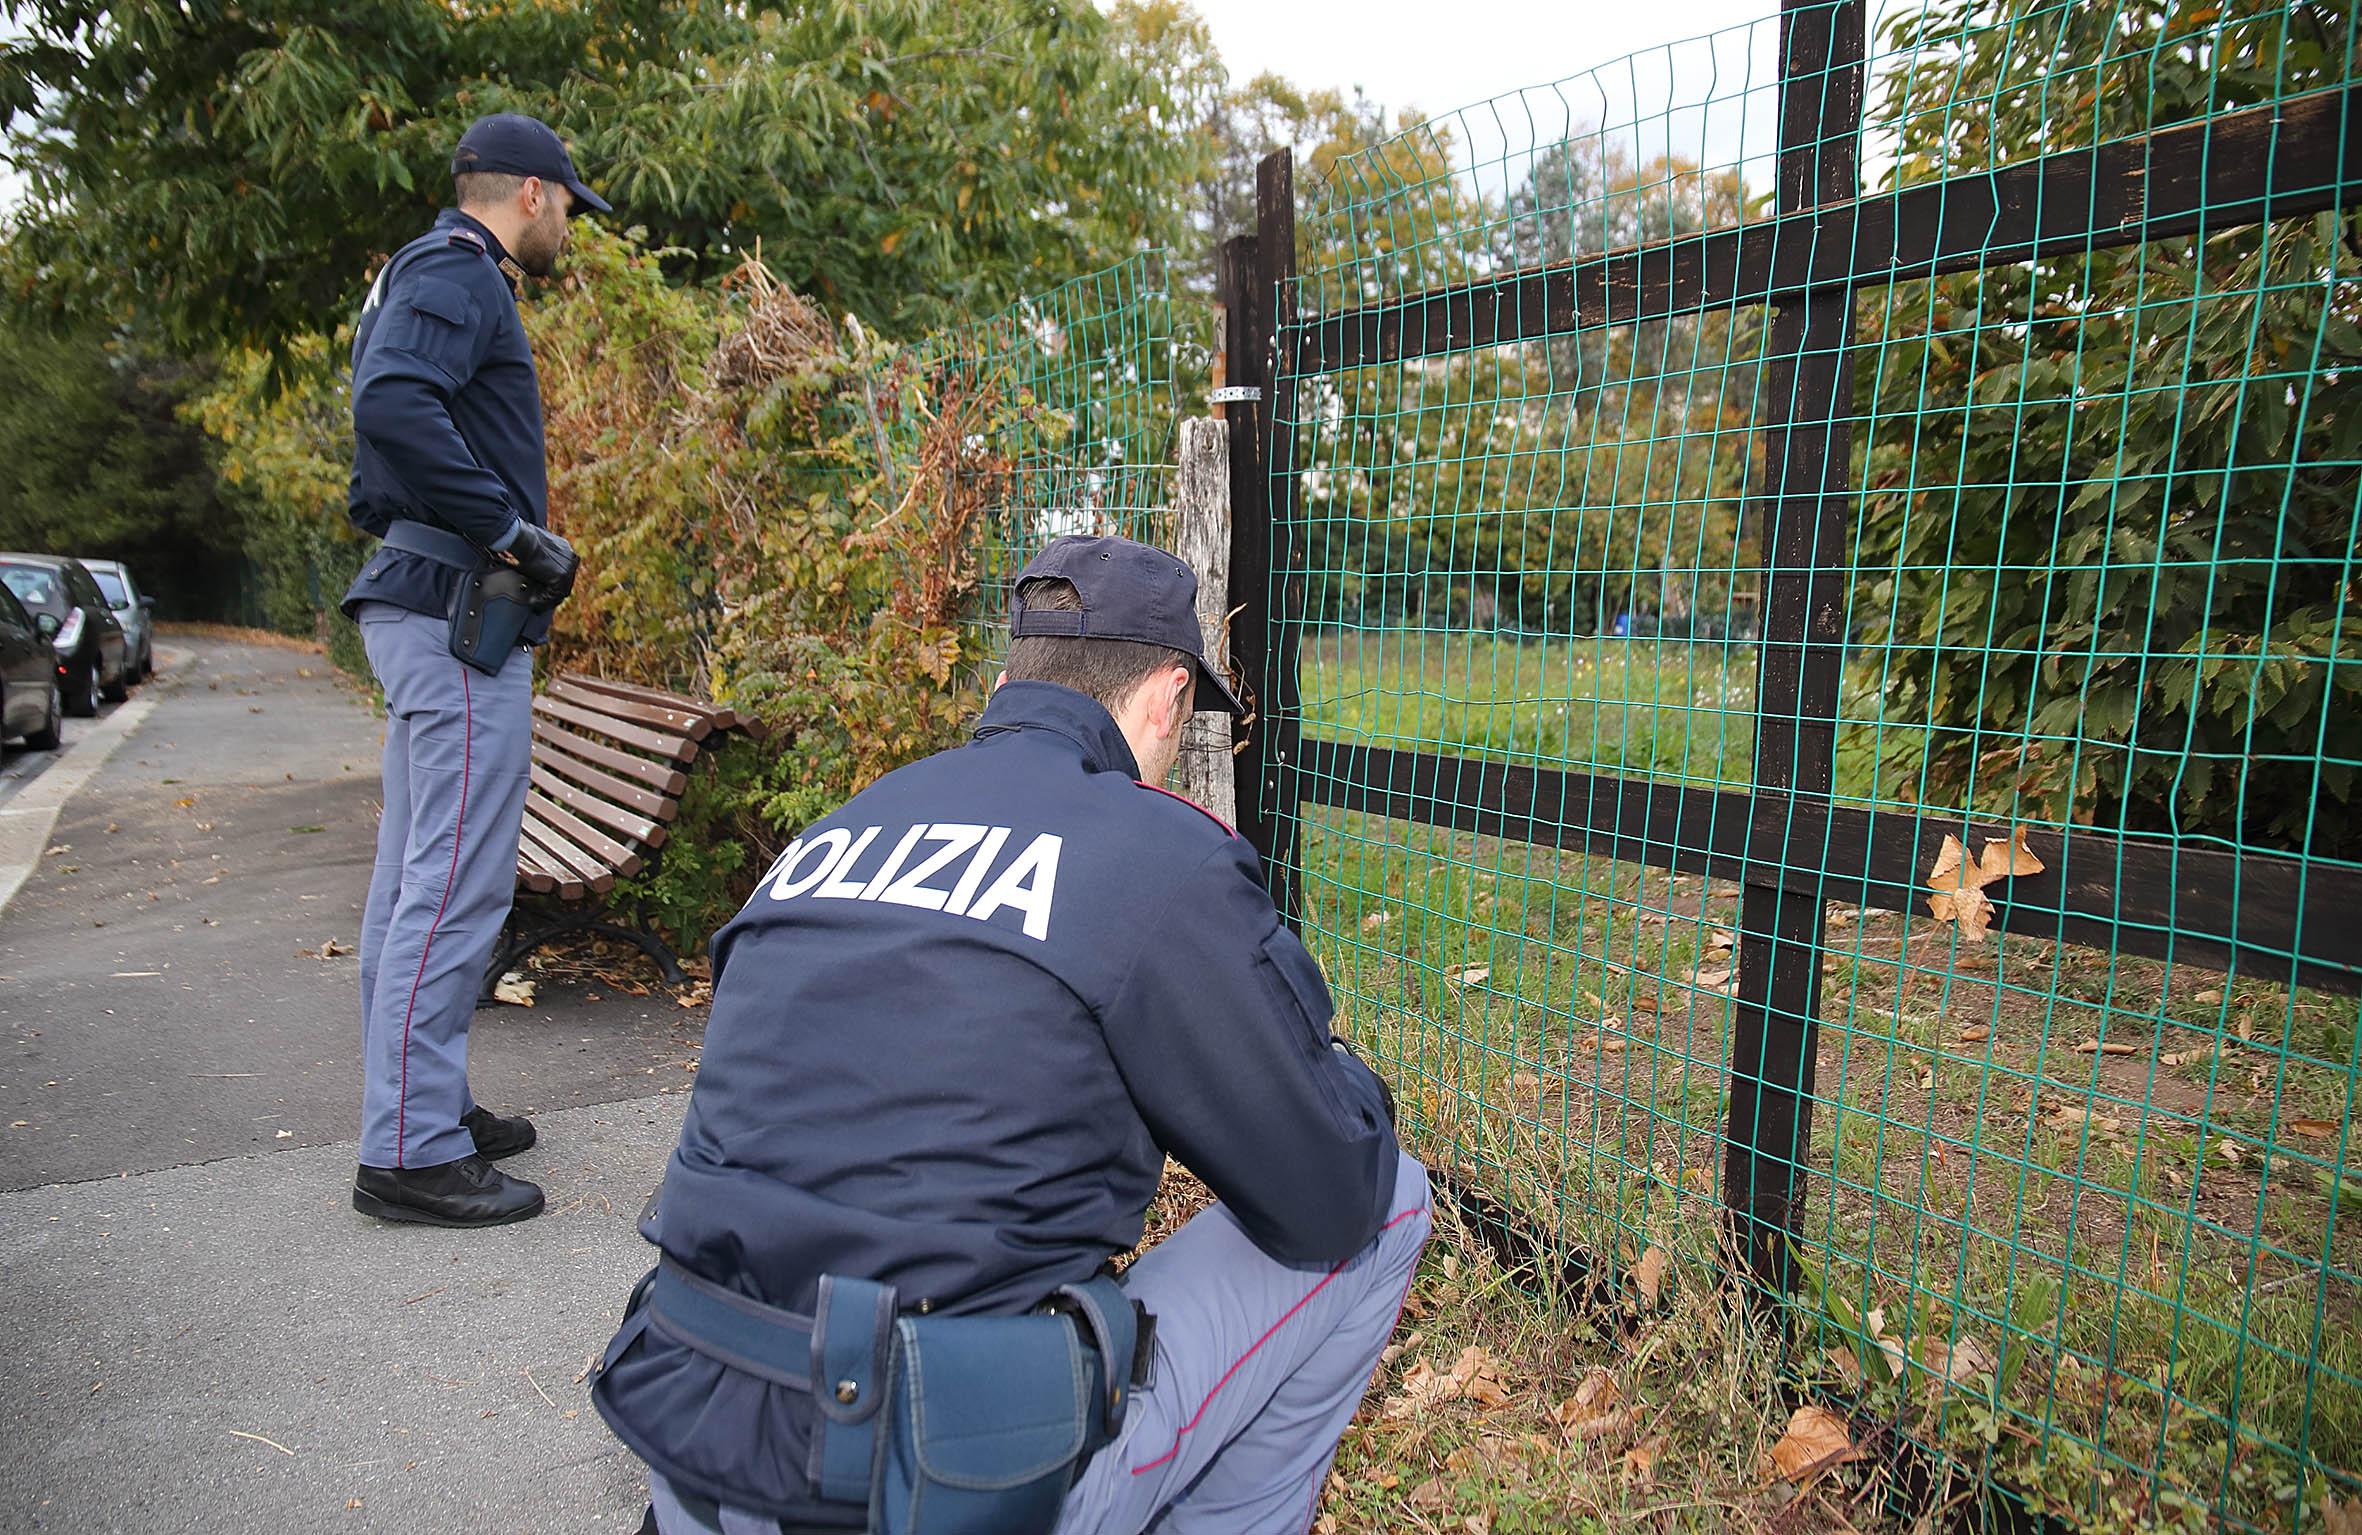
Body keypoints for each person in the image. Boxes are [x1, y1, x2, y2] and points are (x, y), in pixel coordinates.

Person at [594, 534, 1433, 1535]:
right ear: (1167, 696)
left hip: (695, 1437)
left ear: (1005, 678)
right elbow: (1325, 1194)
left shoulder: (838, 828)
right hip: (926, 1475)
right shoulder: (1151, 851)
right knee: (1390, 1200)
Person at [343, 113, 609, 1228]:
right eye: (569, 211)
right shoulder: (463, 273)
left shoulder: (426, 272)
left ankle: (426, 1103)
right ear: (533, 195)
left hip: (428, 603)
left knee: (417, 877)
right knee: (454, 885)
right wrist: (509, 527)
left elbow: (399, 402)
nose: (569, 235)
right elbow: (394, 402)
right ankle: (408, 1147)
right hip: (458, 612)